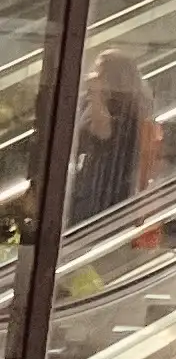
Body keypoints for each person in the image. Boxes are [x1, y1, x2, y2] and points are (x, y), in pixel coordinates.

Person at [68, 50, 163, 233]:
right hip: (90, 177)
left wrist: (95, 95)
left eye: (100, 72)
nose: (94, 76)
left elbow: (104, 133)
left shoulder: (129, 107)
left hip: (110, 181)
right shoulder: (94, 103)